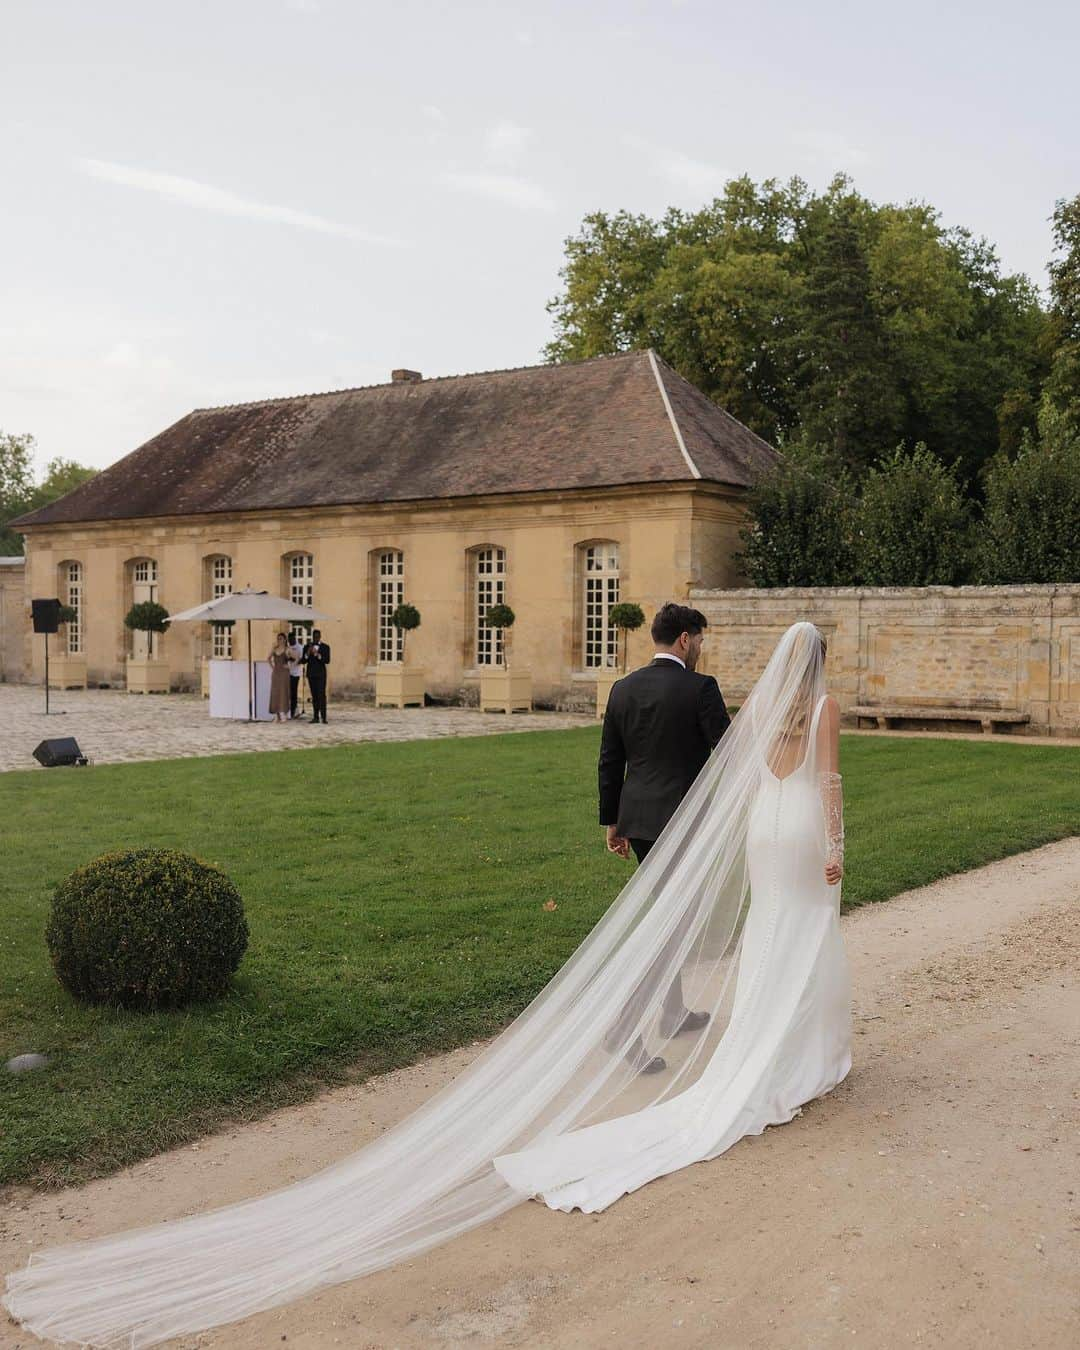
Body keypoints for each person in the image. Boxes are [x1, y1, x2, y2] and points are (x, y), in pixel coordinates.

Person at [4, 622, 850, 1348]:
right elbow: (829, 781)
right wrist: (833, 842)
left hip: (732, 828)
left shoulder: (731, 706)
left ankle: (743, 1045)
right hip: (792, 829)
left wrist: (616, 818)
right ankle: (780, 1049)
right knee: (793, 939)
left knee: (766, 935)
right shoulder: (799, 707)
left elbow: (658, 766)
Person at [597, 602, 731, 1072]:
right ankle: (622, 1027)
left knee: (667, 915)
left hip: (639, 822)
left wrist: (612, 821)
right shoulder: (700, 688)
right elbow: (728, 750)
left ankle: (672, 1011)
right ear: (684, 639)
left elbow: (611, 760)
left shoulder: (622, 688)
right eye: (699, 641)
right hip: (684, 821)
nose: (699, 649)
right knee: (672, 928)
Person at [302, 629, 330, 724]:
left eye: (317, 636)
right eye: (314, 637)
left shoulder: (325, 647)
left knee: (321, 695)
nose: (316, 638)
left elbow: (327, 660)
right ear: (312, 637)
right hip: (311, 674)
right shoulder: (307, 646)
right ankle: (315, 717)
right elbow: (303, 660)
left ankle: (324, 717)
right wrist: (307, 653)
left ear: (320, 637)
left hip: (321, 674)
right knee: (314, 696)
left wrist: (317, 654)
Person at [266, 633, 292, 723]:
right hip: (276, 673)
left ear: (285, 640)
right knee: (275, 693)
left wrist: (290, 666)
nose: (279, 640)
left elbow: (296, 658)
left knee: (283, 692)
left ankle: (283, 713)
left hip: (284, 673)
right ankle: (276, 714)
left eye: (281, 639)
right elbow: (268, 658)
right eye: (278, 639)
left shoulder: (287, 649)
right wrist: (273, 667)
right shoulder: (274, 649)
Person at [286, 632, 304, 719]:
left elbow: (302, 660)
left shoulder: (300, 647)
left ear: (295, 638)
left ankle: (293, 711)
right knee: (288, 692)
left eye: (292, 639)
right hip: (288, 672)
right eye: (289, 639)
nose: (290, 641)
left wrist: (293, 659)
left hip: (296, 673)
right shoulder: (288, 647)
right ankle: (293, 710)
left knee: (293, 692)